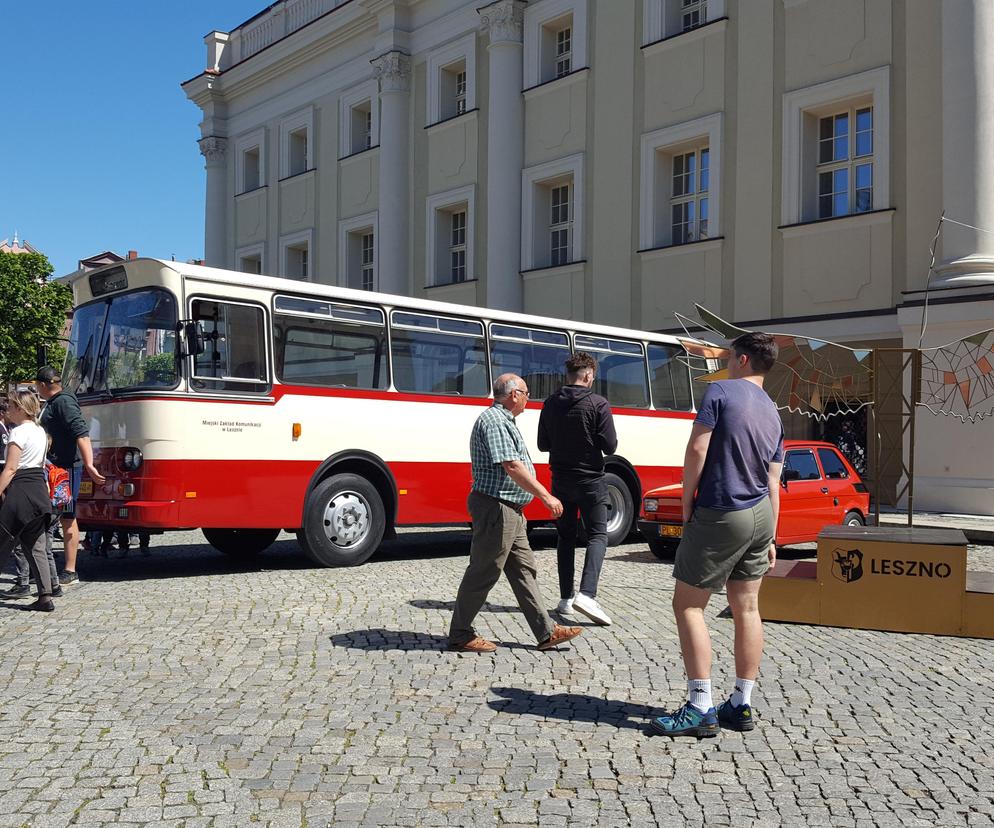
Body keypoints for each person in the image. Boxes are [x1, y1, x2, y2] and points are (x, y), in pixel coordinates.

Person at [651, 332, 784, 738]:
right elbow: (774, 479)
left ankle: (700, 705)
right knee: (747, 608)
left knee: (689, 606)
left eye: (729, 356)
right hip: (761, 514)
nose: (725, 362)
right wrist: (773, 534)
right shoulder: (774, 412)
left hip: (723, 510)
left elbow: (697, 450)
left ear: (742, 360)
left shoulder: (721, 392)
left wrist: (688, 501)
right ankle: (741, 704)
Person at [448, 374, 584, 653]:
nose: (528, 399)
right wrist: (545, 496)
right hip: (497, 508)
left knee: (524, 571)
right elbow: (512, 465)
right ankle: (460, 634)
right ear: (513, 395)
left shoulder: (503, 420)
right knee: (483, 571)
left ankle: (546, 633)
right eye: (525, 393)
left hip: (510, 509)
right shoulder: (495, 421)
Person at [537, 352, 618, 625]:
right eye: (592, 375)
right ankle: (587, 594)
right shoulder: (598, 403)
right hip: (591, 481)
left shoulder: (549, 403)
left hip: (560, 480)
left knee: (566, 538)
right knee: (598, 535)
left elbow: (542, 444)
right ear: (587, 375)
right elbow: (610, 446)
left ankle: (565, 599)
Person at [35, 366, 106, 586]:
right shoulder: (55, 402)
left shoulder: (64, 402)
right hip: (56, 467)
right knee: (60, 515)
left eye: (37, 384)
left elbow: (81, 434)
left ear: (45, 385)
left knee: (67, 515)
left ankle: (70, 569)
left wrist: (89, 465)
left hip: (66, 469)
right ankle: (51, 563)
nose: (36, 388)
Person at [0, 390, 56, 611]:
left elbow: (11, 468)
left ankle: (44, 596)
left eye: (11, 406)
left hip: (21, 492)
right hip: (38, 492)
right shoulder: (40, 432)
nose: (8, 410)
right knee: (36, 546)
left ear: (21, 408)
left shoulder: (18, 432)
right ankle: (45, 596)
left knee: (3, 539)